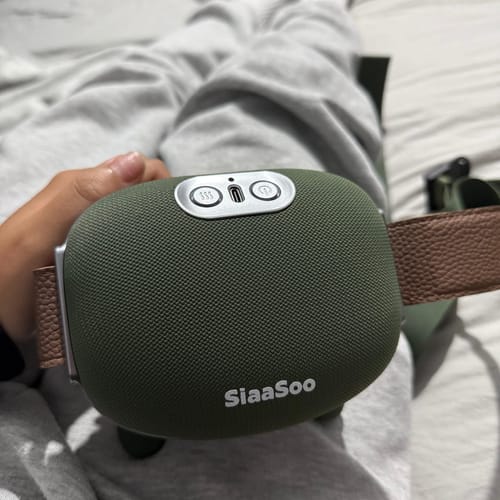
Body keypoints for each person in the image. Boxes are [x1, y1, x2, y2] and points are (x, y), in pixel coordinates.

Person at [0, 1, 412, 498]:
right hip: (199, 383)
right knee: (277, 90)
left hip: (60, 306)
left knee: (131, 87)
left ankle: (227, 13)